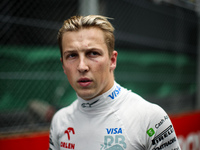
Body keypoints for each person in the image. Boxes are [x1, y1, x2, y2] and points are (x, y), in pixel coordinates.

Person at [49, 15, 180, 150]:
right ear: (63, 65)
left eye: (93, 53)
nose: (82, 66)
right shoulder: (60, 120)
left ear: (112, 60)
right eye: (72, 55)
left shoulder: (150, 118)